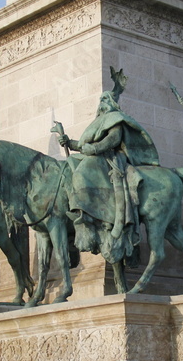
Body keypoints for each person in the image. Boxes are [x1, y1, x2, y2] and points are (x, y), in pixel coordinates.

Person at [56, 67, 159, 261]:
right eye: (100, 100)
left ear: (111, 103)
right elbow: (85, 144)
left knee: (83, 170)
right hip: (96, 156)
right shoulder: (98, 122)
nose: (101, 103)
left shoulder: (115, 119)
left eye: (105, 100)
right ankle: (81, 208)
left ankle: (94, 214)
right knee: (70, 163)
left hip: (111, 158)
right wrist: (69, 142)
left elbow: (113, 140)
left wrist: (94, 150)